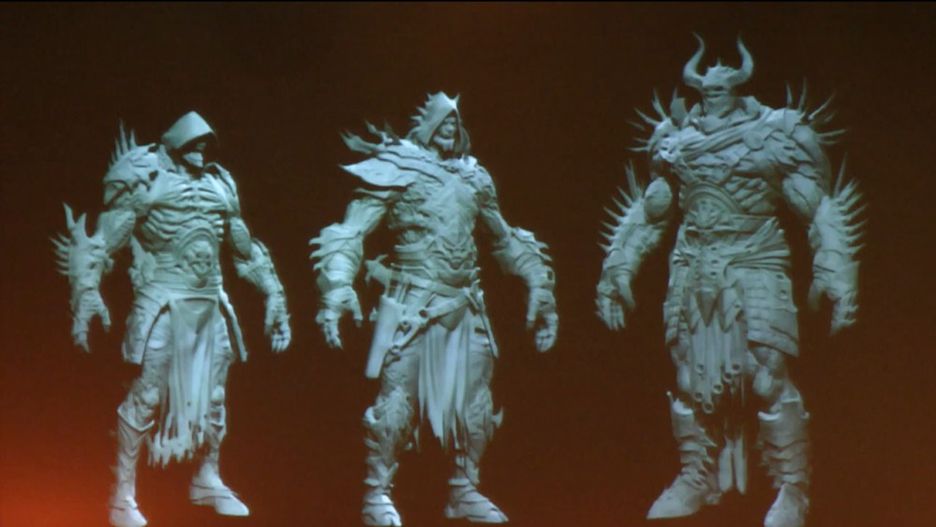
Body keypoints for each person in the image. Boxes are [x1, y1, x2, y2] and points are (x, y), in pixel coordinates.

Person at [596, 37, 863, 527]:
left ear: (739, 84)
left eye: (724, 81)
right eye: (706, 82)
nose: (714, 87)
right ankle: (697, 476)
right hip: (693, 264)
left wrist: (834, 269)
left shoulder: (775, 132)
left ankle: (792, 489)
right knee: (688, 378)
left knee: (767, 374)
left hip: (753, 259)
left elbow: (815, 205)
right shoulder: (674, 138)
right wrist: (619, 267)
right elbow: (653, 210)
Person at [310, 93, 558, 526]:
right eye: (442, 119)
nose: (450, 126)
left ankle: (464, 488)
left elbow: (504, 238)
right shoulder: (399, 164)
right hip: (413, 304)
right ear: (425, 124)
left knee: (476, 403)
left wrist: (540, 285)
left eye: (455, 122)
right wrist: (337, 287)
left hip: (466, 304)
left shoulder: (474, 177)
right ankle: (376, 494)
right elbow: (351, 232)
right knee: (396, 403)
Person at [55, 112, 292, 527]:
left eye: (206, 143)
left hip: (210, 302)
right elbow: (103, 243)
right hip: (163, 301)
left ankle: (207, 478)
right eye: (194, 142)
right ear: (174, 144)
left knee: (215, 397)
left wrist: (275, 294)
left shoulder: (221, 186)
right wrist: (87, 293)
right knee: (146, 397)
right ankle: (122, 495)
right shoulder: (147, 183)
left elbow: (245, 249)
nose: (201, 148)